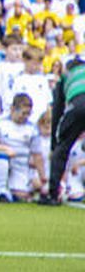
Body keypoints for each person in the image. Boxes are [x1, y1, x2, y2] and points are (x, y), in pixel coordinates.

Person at [43, 50, 85, 206]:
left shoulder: (64, 77)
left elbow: (57, 111)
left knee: (63, 148)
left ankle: (53, 195)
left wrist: (55, 143)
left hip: (77, 105)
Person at [0, 93, 44, 203]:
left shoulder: (32, 128)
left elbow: (37, 153)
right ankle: (1, 191)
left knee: (22, 196)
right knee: (1, 157)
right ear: (13, 109)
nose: (25, 116)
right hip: (2, 159)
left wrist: (42, 176)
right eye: (23, 113)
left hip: (21, 163)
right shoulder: (0, 123)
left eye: (28, 113)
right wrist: (5, 149)